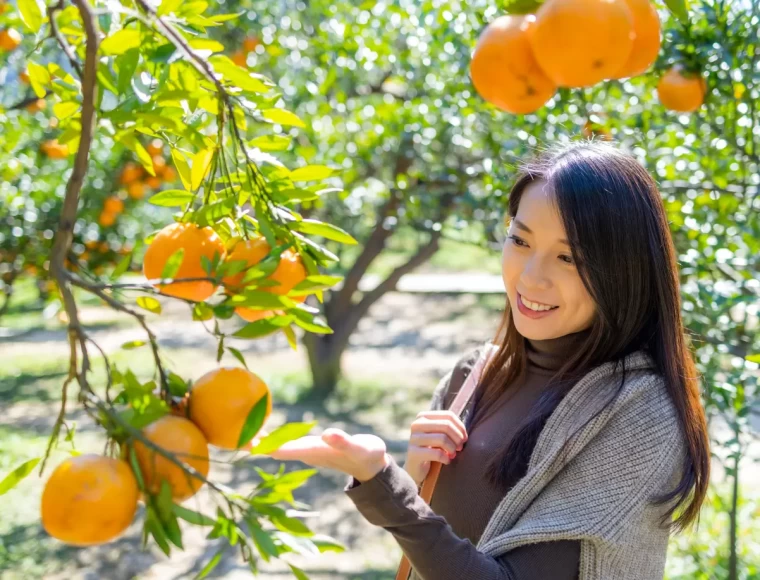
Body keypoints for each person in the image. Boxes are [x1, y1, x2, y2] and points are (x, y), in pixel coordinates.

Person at [268, 141, 711, 580]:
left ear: (626, 270)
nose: (531, 276)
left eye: (568, 257)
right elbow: (444, 551)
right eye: (520, 240)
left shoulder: (639, 414)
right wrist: (411, 482)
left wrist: (387, 487)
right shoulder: (474, 375)